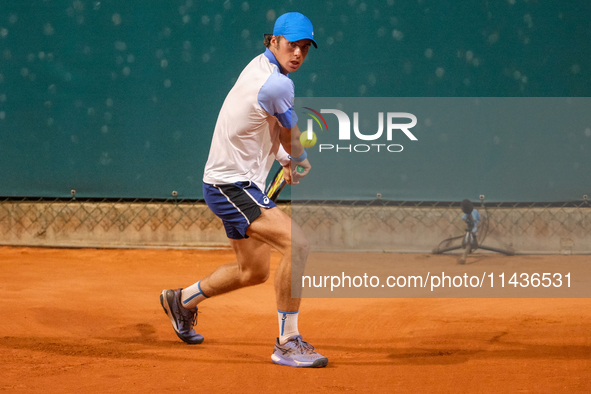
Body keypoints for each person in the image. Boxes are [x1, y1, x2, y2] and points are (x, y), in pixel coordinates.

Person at [160, 12, 328, 368]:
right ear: (272, 41)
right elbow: (289, 136)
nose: (297, 53)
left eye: (304, 48)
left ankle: (182, 300)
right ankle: (288, 341)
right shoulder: (277, 84)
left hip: (236, 183)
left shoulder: (263, 70)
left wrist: (285, 158)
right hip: (230, 186)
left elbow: (263, 128)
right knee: (297, 245)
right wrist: (296, 156)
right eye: (291, 44)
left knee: (253, 272)